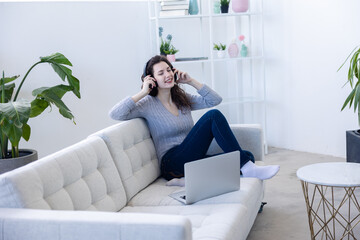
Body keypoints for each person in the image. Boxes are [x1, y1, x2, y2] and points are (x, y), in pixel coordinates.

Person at [109, 55, 279, 186]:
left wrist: (191, 81)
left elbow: (214, 100)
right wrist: (143, 92)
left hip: (191, 158)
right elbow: (116, 114)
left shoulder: (182, 99)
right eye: (161, 73)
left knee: (245, 156)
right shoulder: (147, 104)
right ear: (151, 78)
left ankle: (188, 179)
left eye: (169, 70)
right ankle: (246, 169)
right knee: (214, 116)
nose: (167, 75)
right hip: (172, 162)